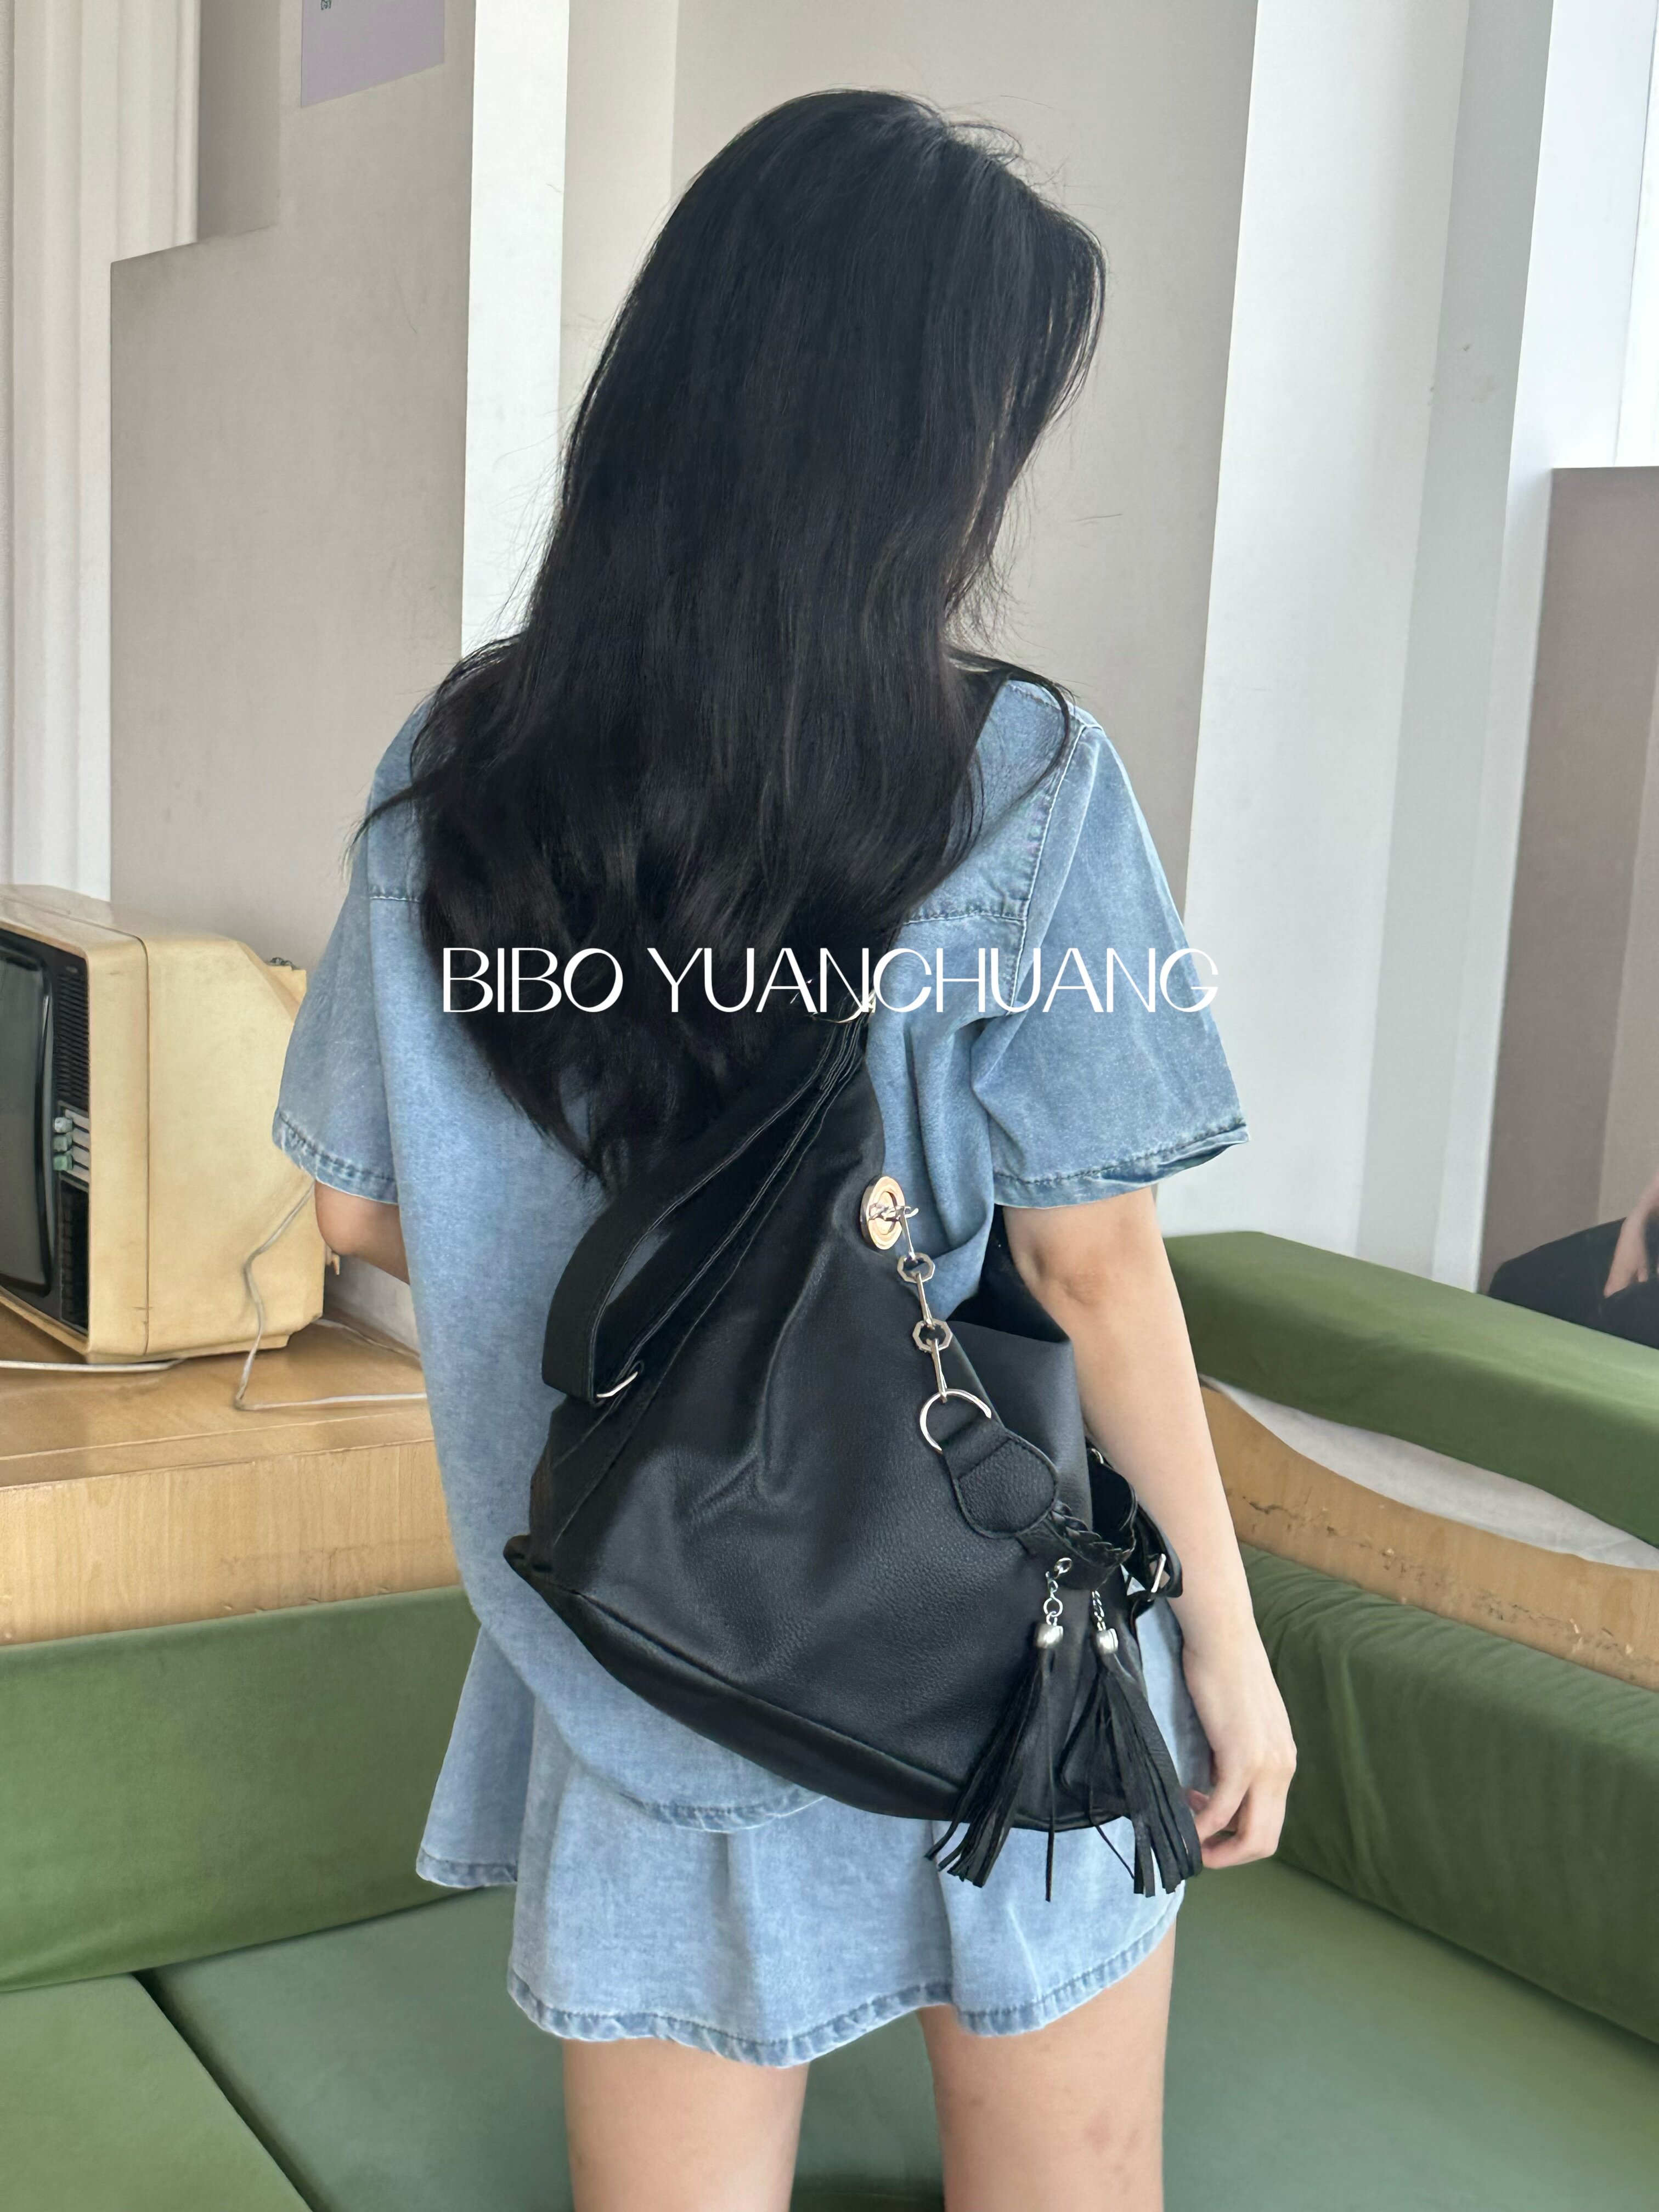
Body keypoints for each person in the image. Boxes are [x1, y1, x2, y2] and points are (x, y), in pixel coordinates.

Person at [275, 91, 1295, 2212]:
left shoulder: (454, 768)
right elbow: (1094, 1264)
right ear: (917, 455)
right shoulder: (1022, 776)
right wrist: (1227, 1639)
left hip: (646, 1646)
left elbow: (361, 1206)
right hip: (992, 1649)